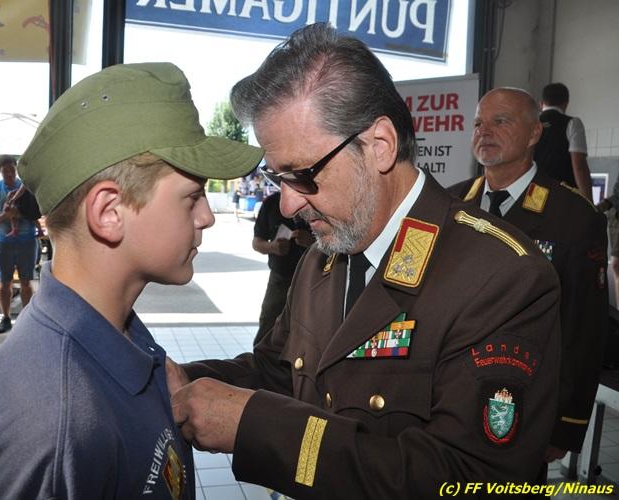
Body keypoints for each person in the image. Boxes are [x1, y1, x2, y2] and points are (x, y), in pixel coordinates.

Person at [167, 24, 561, 498]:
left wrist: (258, 427)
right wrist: (188, 381)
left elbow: (469, 479)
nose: (288, 205)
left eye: (303, 175)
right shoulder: (323, 256)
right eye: (277, 178)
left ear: (380, 146)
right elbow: (279, 371)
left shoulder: (501, 277)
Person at [0, 62, 263, 499]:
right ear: (108, 213)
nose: (207, 217)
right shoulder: (54, 427)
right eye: (192, 197)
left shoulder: (114, 330)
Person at [448, 87, 608, 464]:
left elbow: (583, 330)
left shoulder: (573, 217)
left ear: (535, 133)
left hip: (522, 406)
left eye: (500, 121)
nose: (484, 132)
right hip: (448, 403)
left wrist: (565, 425)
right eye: (478, 123)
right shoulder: (450, 206)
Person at [0, 155, 38, 334]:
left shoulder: (27, 187)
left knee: (26, 282)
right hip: (3, 242)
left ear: (16, 169)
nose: (9, 174)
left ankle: (26, 319)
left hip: (27, 241)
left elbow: (37, 212)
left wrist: (22, 215)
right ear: (0, 171)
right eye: (5, 171)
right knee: (4, 283)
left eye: (12, 170)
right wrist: (3, 216)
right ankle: (6, 318)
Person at [252, 190, 313, 344]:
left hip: (314, 279)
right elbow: (257, 243)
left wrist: (313, 243)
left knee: (308, 327)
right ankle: (261, 357)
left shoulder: (316, 200)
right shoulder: (272, 203)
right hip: (280, 279)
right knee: (269, 323)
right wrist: (272, 247)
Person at [533, 82, 592, 200]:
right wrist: (588, 201)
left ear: (541, 104)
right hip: (562, 193)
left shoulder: (531, 124)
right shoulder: (572, 123)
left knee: (532, 212)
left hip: (534, 192)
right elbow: (579, 166)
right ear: (566, 103)